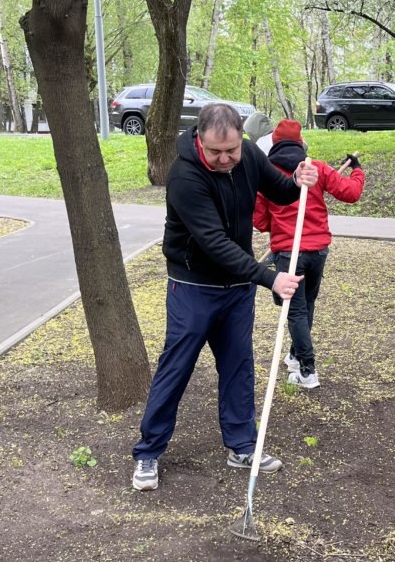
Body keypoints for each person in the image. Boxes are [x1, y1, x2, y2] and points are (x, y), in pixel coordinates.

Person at [131, 103, 319, 491]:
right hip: (193, 287)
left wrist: (300, 179)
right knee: (176, 367)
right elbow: (214, 243)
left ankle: (242, 446)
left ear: (240, 139)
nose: (224, 159)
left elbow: (282, 192)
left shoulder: (247, 154)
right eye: (215, 151)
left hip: (236, 289)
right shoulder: (184, 176)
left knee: (238, 366)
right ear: (199, 139)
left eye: (230, 150)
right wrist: (270, 277)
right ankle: (148, 452)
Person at [253, 119, 365, 389]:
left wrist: (277, 224)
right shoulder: (318, 168)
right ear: (301, 143)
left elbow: (259, 221)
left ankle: (307, 370)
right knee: (305, 305)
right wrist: (357, 170)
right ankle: (295, 356)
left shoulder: (267, 175)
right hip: (317, 251)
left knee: (295, 311)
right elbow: (352, 192)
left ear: (275, 144)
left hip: (288, 251)